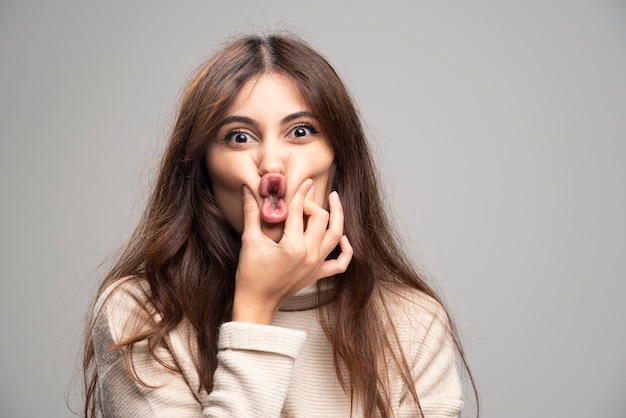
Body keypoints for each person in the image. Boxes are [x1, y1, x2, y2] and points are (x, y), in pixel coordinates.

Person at [82, 33, 478, 418]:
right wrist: (255, 307)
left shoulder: (412, 323)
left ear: (337, 156)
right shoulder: (142, 317)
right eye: (239, 137)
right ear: (202, 166)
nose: (272, 163)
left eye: (300, 132)